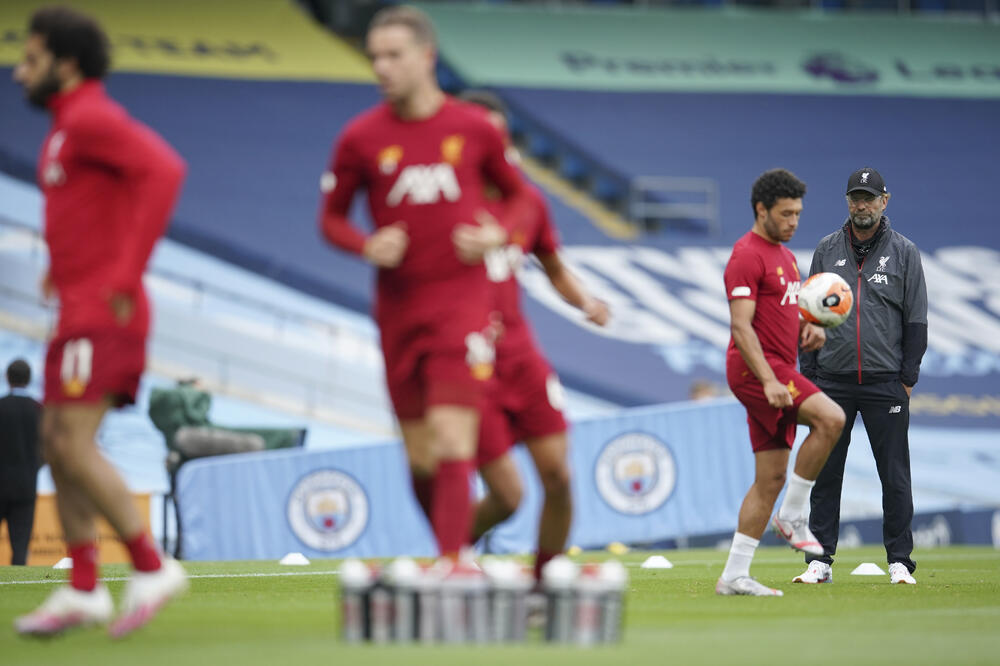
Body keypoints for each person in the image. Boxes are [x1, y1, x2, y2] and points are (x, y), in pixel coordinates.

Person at [318, 7, 532, 560]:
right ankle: (450, 552)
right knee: (419, 458)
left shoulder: (472, 128)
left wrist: (497, 235)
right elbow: (331, 218)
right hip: (397, 313)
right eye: (374, 58)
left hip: (462, 309)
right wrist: (364, 244)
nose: (381, 67)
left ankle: (452, 567)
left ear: (426, 58)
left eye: (393, 55)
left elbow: (521, 198)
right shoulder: (360, 138)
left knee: (450, 440)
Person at [12, 6, 187, 637]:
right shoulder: (64, 128)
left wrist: (123, 271)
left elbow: (165, 170)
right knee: (55, 440)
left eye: (30, 59)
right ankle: (84, 588)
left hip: (106, 311)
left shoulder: (89, 117)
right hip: (77, 305)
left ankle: (150, 565)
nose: (17, 72)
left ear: (66, 62)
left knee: (72, 441)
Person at [457, 90, 610, 581]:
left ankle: (545, 582)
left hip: (521, 360)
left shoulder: (526, 202)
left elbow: (553, 267)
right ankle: (451, 555)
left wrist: (586, 302)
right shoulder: (443, 200)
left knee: (559, 479)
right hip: (467, 364)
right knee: (507, 497)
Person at [717, 168, 846, 597]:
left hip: (777, 366)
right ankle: (793, 516)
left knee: (770, 477)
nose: (793, 222)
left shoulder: (786, 257)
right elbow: (741, 327)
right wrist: (770, 379)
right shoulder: (746, 255)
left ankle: (734, 575)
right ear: (762, 210)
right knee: (831, 419)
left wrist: (810, 329)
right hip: (757, 371)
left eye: (798, 214)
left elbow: (781, 316)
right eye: (786, 214)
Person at [795, 168, 927, 586]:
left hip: (885, 381)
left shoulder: (905, 253)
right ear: (847, 200)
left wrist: (906, 377)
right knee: (826, 470)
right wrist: (810, 374)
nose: (862, 205)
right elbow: (808, 313)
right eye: (855, 197)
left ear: (885, 201)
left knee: (894, 472)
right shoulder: (826, 249)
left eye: (869, 198)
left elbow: (917, 320)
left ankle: (900, 562)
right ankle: (819, 560)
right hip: (831, 380)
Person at [0, 359, 42, 566]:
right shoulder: (40, 410)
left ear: (7, 378)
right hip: (26, 484)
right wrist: (34, 466)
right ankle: (17, 584)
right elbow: (48, 448)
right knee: (20, 544)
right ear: (29, 380)